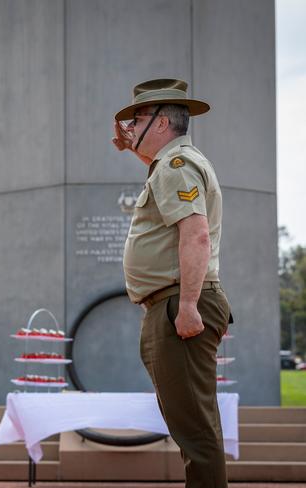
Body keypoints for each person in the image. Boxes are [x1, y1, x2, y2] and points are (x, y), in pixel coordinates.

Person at [112, 79, 232, 487]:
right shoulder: (170, 165)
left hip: (178, 303)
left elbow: (195, 233)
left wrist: (188, 306)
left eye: (138, 119)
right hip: (170, 303)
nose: (130, 127)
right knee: (191, 425)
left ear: (162, 122)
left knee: (195, 432)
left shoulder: (175, 166)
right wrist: (135, 148)